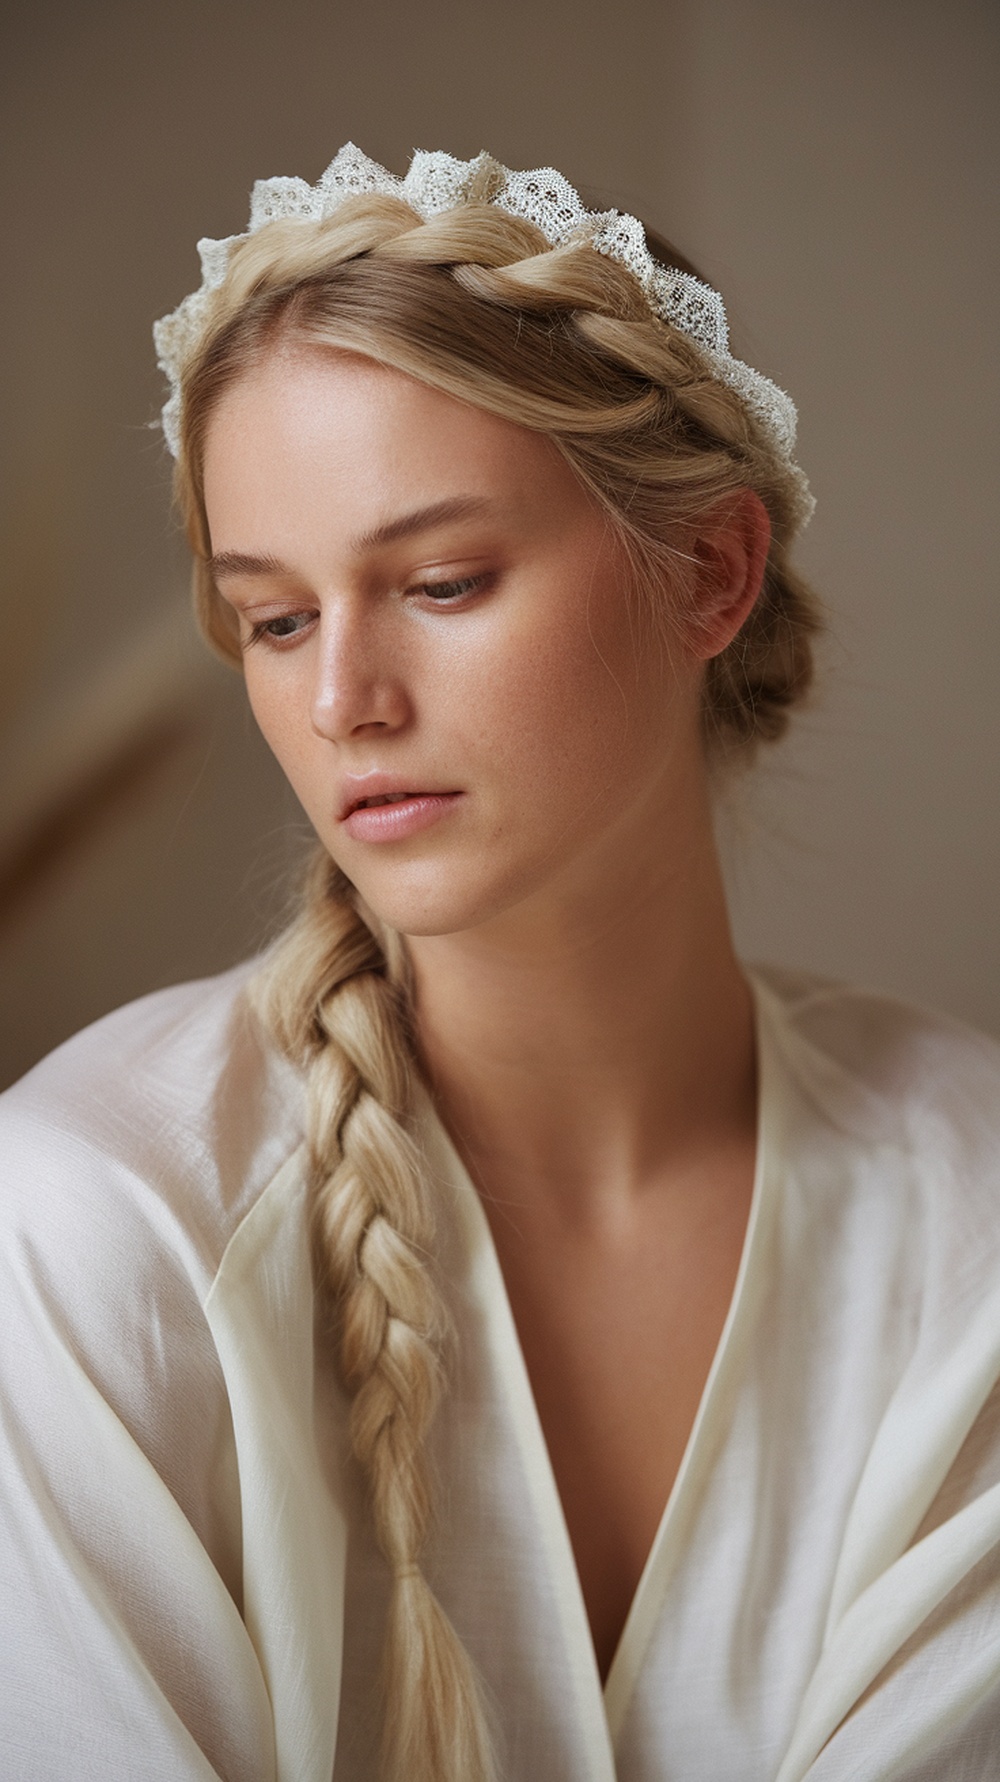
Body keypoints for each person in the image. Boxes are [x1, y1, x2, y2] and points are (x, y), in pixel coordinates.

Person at [2, 143, 999, 1782]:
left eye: (443, 581)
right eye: (274, 618)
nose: (343, 704)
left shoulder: (970, 1214)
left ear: (711, 571)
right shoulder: (88, 1229)